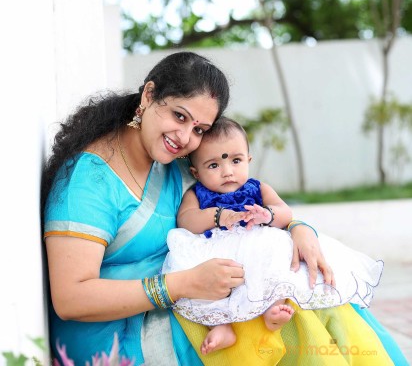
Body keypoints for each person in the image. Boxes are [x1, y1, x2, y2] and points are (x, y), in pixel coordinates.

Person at [43, 51, 407, 366]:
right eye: (180, 116)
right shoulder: (88, 180)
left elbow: (241, 195)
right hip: (119, 336)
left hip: (185, 297)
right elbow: (71, 299)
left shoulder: (169, 159)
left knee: (317, 295)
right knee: (297, 321)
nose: (185, 138)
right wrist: (184, 283)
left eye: (200, 129)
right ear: (149, 95)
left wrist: (298, 228)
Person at [163, 117, 384, 356]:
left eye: (236, 161)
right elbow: (186, 220)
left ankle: (273, 307)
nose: (227, 172)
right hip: (217, 251)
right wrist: (217, 216)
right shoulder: (196, 194)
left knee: (274, 262)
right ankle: (219, 325)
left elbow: (285, 212)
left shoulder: (258, 188)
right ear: (196, 172)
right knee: (202, 280)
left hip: (256, 245)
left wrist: (266, 215)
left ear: (248, 160)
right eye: (214, 166)